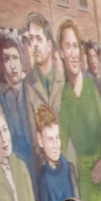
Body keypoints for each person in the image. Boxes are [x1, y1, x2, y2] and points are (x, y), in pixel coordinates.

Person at [56, 19, 101, 201]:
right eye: (67, 46)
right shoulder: (64, 96)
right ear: (61, 53)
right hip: (81, 177)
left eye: (75, 46)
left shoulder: (94, 86)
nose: (72, 53)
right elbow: (63, 142)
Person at [22, 12, 65, 162]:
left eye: (39, 39)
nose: (34, 45)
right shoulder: (28, 84)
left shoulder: (62, 80)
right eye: (31, 39)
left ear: (49, 44)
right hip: (46, 169)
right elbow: (33, 135)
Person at [0, 32, 35, 197]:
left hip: (39, 169)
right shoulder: (3, 99)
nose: (12, 66)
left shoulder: (33, 92)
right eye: (7, 59)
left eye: (14, 58)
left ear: (22, 60)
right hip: (19, 174)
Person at [34, 104, 75, 201]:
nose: (56, 145)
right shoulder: (44, 178)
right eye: (50, 140)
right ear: (40, 140)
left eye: (57, 138)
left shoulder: (68, 168)